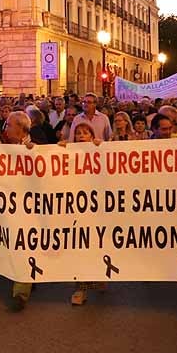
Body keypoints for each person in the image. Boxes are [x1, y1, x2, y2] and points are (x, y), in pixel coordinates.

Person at [0, 111, 36, 312]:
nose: (6, 129)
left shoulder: (39, 148)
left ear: (21, 128)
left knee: (23, 245)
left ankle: (21, 292)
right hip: (9, 204)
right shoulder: (4, 147)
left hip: (30, 207)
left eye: (9, 125)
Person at [67, 122, 105, 305]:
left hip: (97, 206)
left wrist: (102, 148)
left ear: (92, 135)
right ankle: (80, 287)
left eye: (85, 133)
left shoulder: (99, 150)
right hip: (75, 206)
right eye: (78, 134)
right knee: (78, 245)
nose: (81, 136)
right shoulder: (66, 153)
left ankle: (97, 274)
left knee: (96, 243)